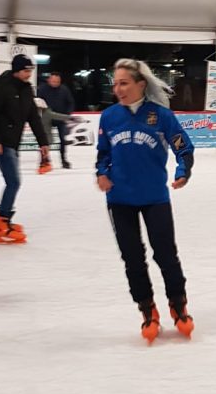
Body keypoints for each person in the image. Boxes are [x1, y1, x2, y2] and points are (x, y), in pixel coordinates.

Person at [96, 58, 195, 343]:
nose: (118, 89)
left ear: (141, 84)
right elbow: (103, 154)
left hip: (155, 197)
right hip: (120, 199)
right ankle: (147, 309)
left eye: (124, 83)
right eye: (115, 84)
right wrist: (102, 173)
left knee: (165, 254)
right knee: (132, 258)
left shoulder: (161, 116)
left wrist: (182, 172)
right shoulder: (109, 117)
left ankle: (178, 305)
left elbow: (183, 147)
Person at [0, 54, 50, 243]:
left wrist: (43, 142)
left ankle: (2, 221)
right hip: (2, 142)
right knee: (13, 181)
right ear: (16, 70)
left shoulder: (27, 89)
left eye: (30, 70)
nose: (29, 74)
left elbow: (33, 118)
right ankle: (1, 222)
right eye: (25, 70)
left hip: (13, 142)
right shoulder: (1, 87)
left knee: (13, 181)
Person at [37, 71, 75, 169]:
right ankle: (44, 159)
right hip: (47, 118)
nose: (55, 83)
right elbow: (38, 102)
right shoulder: (42, 89)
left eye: (57, 81)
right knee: (45, 140)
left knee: (62, 139)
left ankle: (63, 159)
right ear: (49, 80)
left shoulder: (64, 89)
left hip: (60, 118)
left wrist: (67, 114)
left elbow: (70, 102)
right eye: (53, 81)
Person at [34, 97, 75, 174]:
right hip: (40, 135)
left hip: (47, 136)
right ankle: (45, 163)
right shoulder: (33, 115)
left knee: (44, 150)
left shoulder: (47, 113)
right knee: (43, 150)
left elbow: (58, 116)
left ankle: (45, 164)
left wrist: (70, 118)